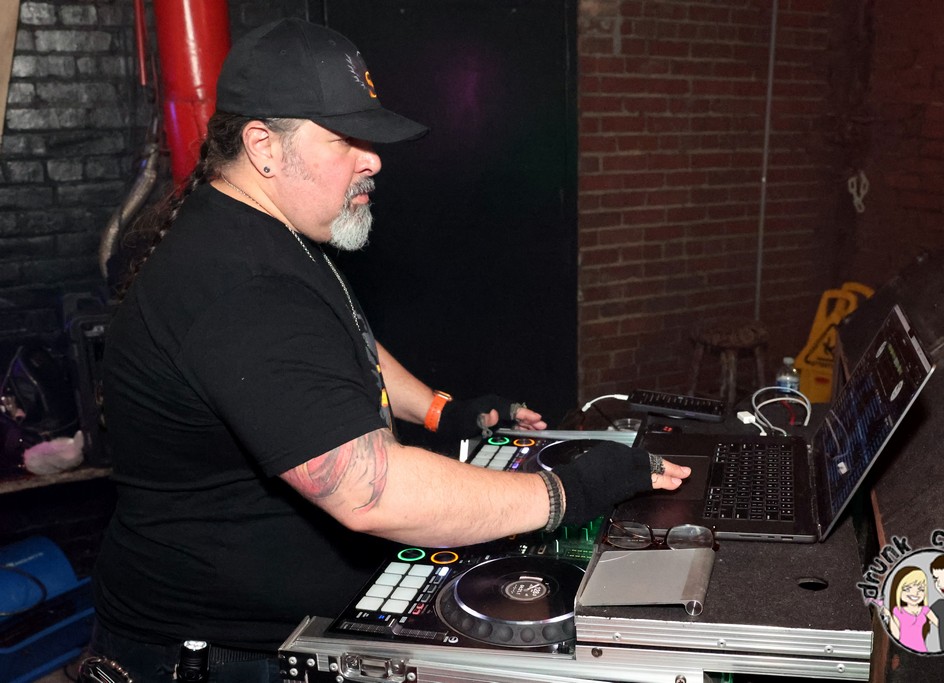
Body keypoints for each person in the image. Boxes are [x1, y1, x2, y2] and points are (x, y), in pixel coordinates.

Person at [87, 17, 689, 683]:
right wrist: (569, 491)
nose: (372, 158)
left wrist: (437, 410)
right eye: (344, 138)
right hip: (217, 655)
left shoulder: (264, 231)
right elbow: (370, 492)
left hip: (262, 632)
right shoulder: (239, 285)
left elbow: (342, 340)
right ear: (263, 146)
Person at [879, 565, 938, 653]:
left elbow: (941, 625)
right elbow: (897, 635)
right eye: (907, 589)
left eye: (921, 589)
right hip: (902, 651)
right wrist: (889, 616)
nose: (915, 593)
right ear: (898, 590)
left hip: (921, 650)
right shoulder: (898, 611)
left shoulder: (925, 610)